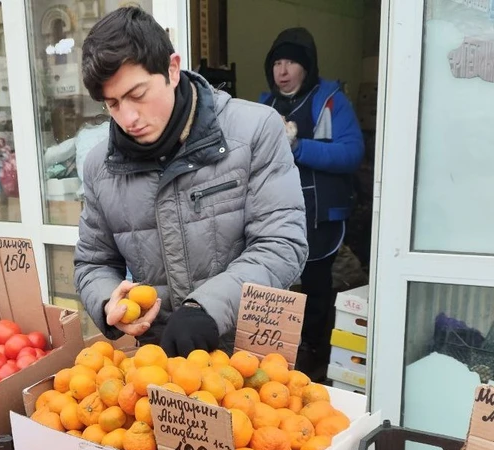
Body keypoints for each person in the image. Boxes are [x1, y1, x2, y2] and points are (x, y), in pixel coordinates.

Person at [74, 7, 308, 357]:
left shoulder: (254, 130)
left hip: (248, 362)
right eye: (113, 104)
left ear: (171, 68)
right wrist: (109, 301)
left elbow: (282, 243)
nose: (129, 118)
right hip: (158, 365)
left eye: (137, 94)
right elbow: (93, 262)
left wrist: (208, 307)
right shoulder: (100, 167)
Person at [260, 27, 365, 375]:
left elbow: (352, 153)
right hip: (273, 216)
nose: (283, 71)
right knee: (274, 287)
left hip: (319, 217)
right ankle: (277, 354)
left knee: (316, 288)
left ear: (308, 67)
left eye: (291, 62)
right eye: (277, 62)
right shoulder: (264, 107)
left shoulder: (331, 101)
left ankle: (313, 354)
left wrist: (299, 146)